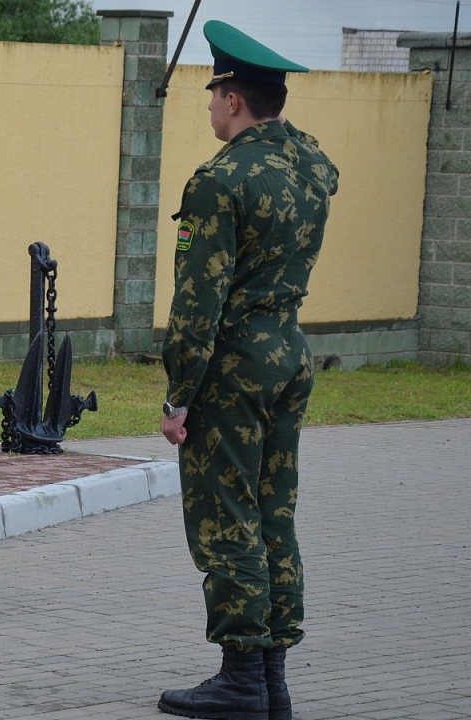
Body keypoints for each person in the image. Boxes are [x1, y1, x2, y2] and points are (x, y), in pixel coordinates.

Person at [157, 21, 339, 720]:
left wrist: (180, 396)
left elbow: (197, 305)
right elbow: (313, 153)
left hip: (234, 365)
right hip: (290, 352)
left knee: (227, 519)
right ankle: (272, 679)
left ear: (233, 99)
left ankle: (240, 679)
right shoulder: (307, 165)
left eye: (213, 95)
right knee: (273, 515)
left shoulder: (219, 180)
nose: (207, 108)